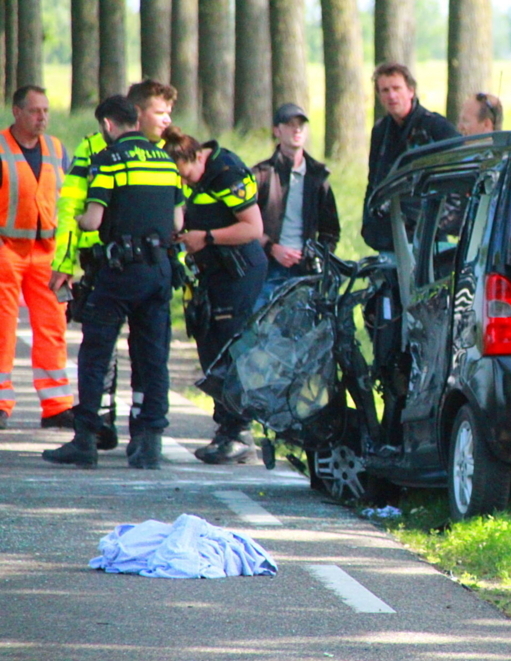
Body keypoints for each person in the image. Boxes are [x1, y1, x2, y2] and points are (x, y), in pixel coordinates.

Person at [42, 95, 184, 469]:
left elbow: (91, 219)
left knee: (96, 353)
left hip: (120, 272)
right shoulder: (166, 161)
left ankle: (86, 440)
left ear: (107, 125)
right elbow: (179, 223)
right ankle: (149, 443)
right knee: (153, 357)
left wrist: (82, 231)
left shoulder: (109, 158)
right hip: (159, 272)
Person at [162, 126, 267, 465]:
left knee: (229, 347)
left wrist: (205, 237)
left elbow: (253, 228)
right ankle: (226, 428)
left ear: (195, 157)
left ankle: (239, 433)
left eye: (186, 175)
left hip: (239, 271)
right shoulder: (184, 174)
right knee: (209, 344)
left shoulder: (227, 172)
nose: (186, 182)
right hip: (210, 273)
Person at [0, 85, 73, 431]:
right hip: (6, 249)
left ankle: (57, 405)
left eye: (45, 110)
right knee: (2, 328)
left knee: (53, 327)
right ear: (16, 112)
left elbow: (71, 204)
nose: (42, 117)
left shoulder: (58, 150)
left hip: (48, 252)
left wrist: (70, 257)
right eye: (34, 111)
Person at [361, 62, 459, 252]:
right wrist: (368, 223)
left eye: (397, 88)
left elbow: (459, 178)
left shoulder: (437, 128)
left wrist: (440, 222)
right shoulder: (380, 131)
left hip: (429, 236)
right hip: (389, 235)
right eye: (385, 90)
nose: (391, 95)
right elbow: (373, 182)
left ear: (411, 91)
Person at [252, 102, 340, 309]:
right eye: (290, 124)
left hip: (305, 272)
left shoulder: (318, 177)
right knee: (261, 331)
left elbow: (331, 230)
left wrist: (318, 255)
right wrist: (272, 249)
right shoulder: (261, 175)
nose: (297, 129)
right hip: (267, 269)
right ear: (277, 131)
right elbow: (245, 224)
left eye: (301, 124)